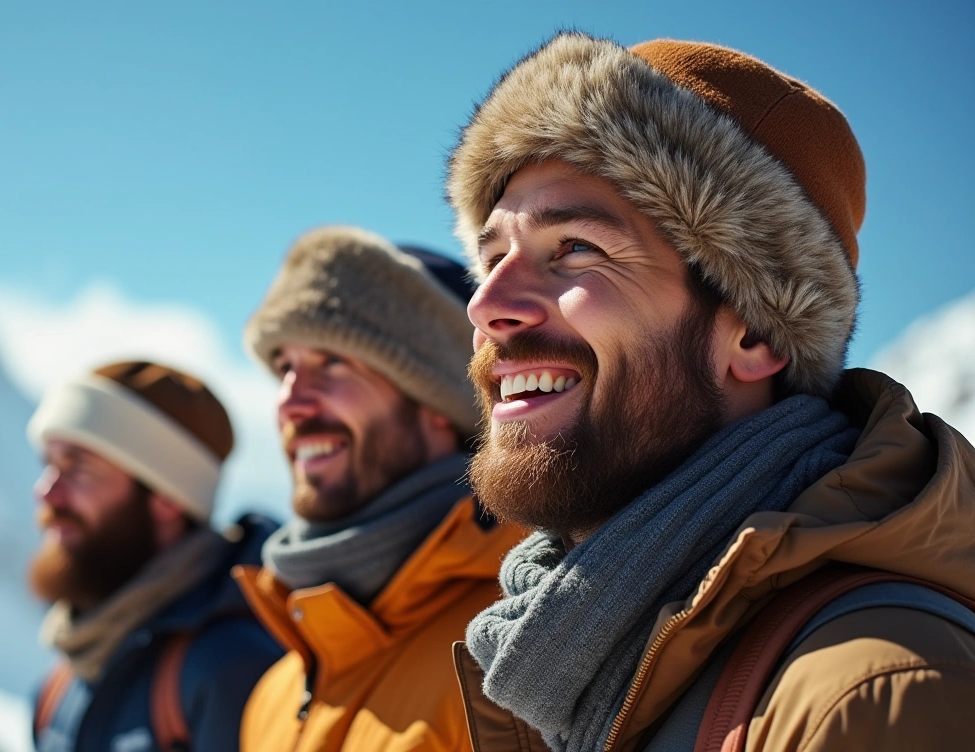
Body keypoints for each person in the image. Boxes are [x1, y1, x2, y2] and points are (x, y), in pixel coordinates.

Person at [443, 32, 975, 751]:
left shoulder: (867, 696)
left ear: (755, 331)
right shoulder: (559, 666)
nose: (486, 305)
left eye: (574, 248)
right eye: (492, 256)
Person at [235, 225, 526, 752]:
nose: (291, 402)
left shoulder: (513, 654)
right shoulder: (273, 695)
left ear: (438, 405)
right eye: (285, 367)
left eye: (333, 361)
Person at [25, 361, 282, 752]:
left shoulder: (229, 670)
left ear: (167, 499)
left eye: (77, 468)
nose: (46, 493)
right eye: (48, 464)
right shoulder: (61, 683)